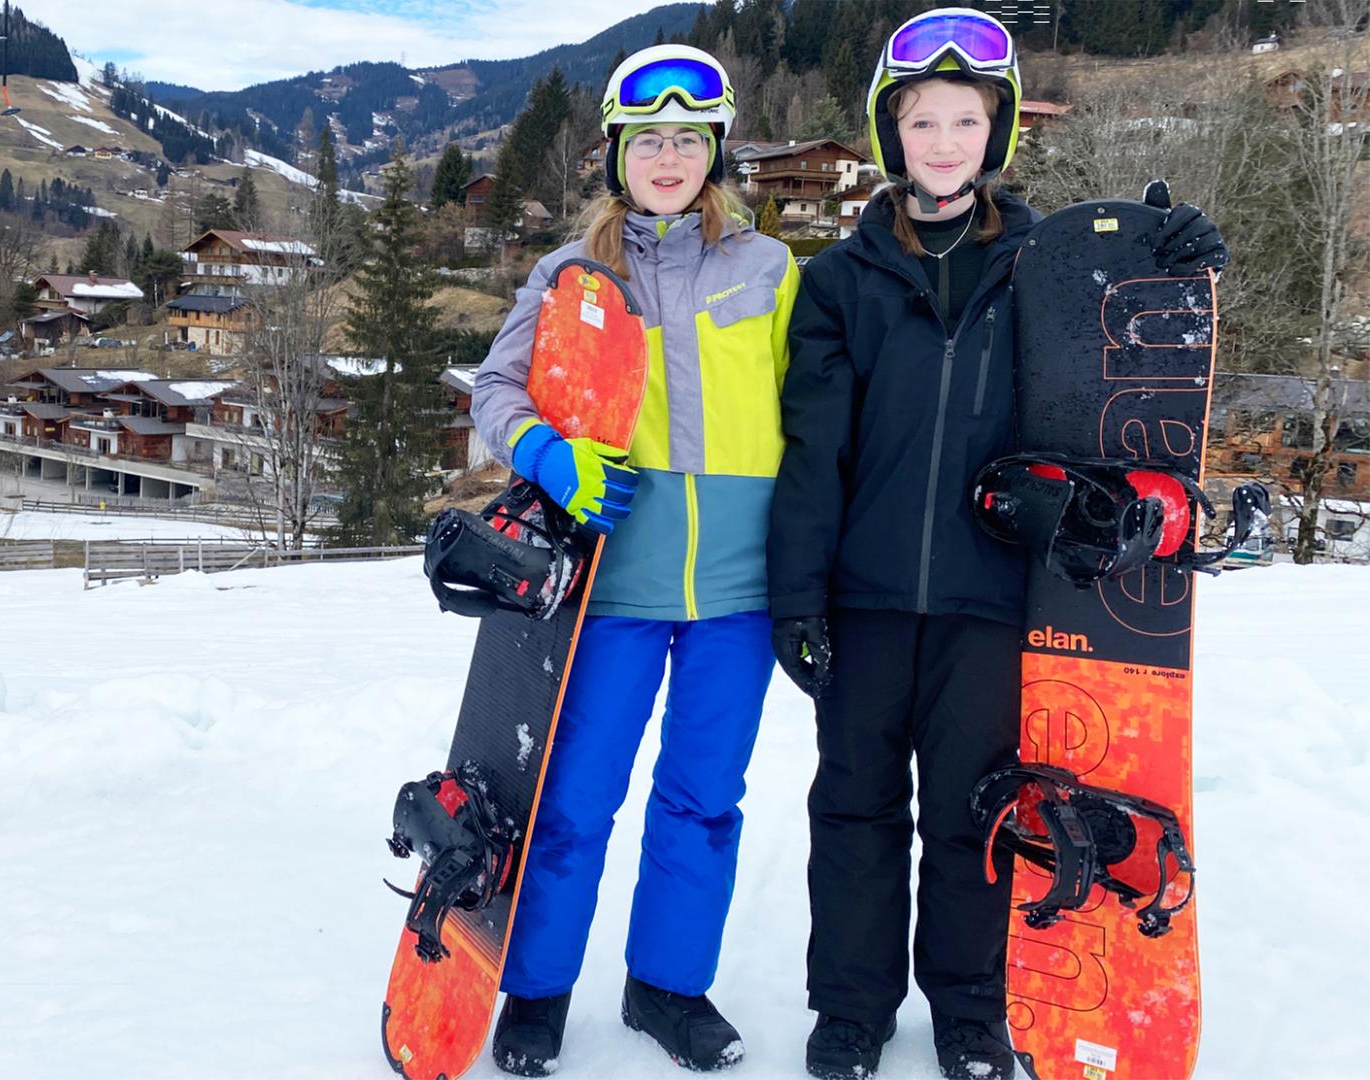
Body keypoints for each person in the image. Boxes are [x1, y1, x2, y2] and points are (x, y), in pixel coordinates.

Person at [767, 10, 1228, 1080]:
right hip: (866, 598)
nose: (941, 142)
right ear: (893, 139)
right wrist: (800, 600)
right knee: (854, 807)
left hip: (991, 597)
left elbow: (1123, 345)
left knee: (978, 817)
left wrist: (1178, 253)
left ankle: (972, 1011)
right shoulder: (840, 285)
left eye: (963, 121)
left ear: (995, 134)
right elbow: (810, 458)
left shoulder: (1044, 273)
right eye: (921, 121)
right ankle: (850, 1010)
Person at [468, 43, 798, 1076]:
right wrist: (548, 456)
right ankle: (537, 990)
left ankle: (666, 987)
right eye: (648, 139)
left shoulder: (769, 270)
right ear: (618, 155)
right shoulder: (571, 276)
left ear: (716, 153)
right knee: (574, 800)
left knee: (704, 798)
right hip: (610, 587)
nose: (667, 156)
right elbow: (493, 392)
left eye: (688, 140)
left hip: (738, 592)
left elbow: (825, 412)